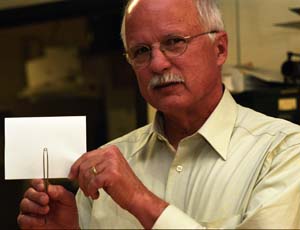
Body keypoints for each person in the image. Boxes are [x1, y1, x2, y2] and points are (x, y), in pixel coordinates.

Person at [18, 0, 300, 229]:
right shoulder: (107, 162)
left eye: (175, 41)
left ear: (220, 48)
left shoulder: (283, 151)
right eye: (141, 51)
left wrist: (138, 198)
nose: (157, 63)